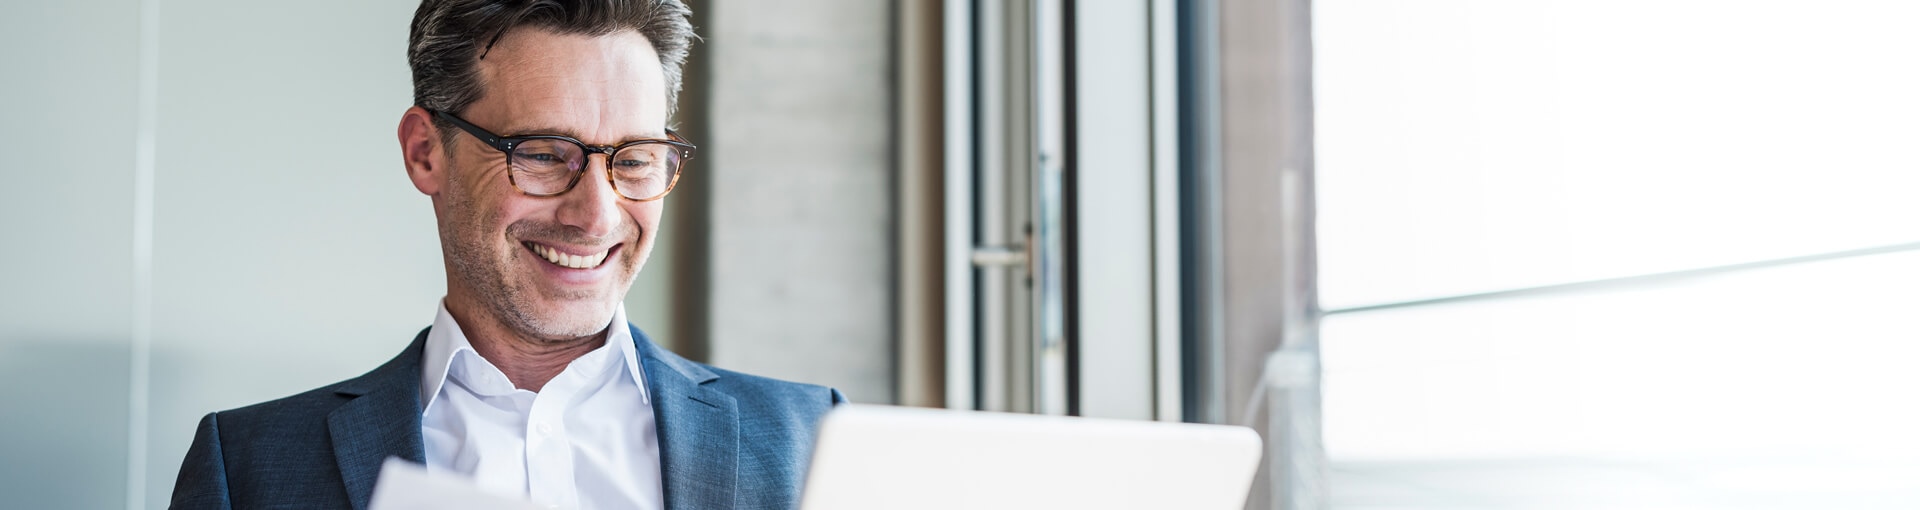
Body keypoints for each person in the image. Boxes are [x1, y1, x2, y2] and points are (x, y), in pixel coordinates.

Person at [169, 1, 845, 508]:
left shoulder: (815, 441)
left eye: (635, 160)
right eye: (545, 156)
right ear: (426, 152)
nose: (596, 215)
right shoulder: (252, 469)